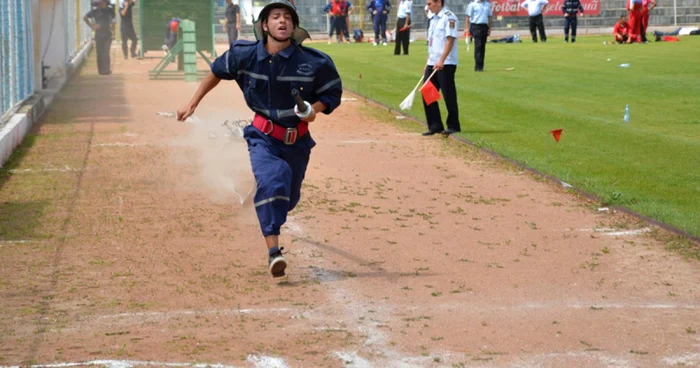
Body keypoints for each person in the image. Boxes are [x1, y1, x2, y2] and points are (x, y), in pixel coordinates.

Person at [176, 0, 343, 278]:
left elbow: (330, 94)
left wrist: (313, 110)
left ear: (294, 25)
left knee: (287, 199)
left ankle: (262, 191)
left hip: (298, 141)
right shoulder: (245, 55)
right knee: (274, 178)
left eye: (287, 17)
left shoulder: (314, 62)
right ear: (264, 25)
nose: (282, 21)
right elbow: (217, 71)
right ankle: (274, 253)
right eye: (275, 17)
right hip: (262, 137)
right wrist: (192, 103)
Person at [422, 0, 459, 136]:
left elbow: (450, 40)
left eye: (430, 3)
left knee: (448, 94)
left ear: (439, 2)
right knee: (427, 91)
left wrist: (442, 60)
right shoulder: (433, 19)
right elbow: (432, 43)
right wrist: (428, 62)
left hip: (446, 63)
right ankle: (435, 124)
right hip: (433, 62)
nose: (428, 6)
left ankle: (453, 125)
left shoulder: (449, 17)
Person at [83, 0, 115, 75]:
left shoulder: (109, 10)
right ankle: (101, 70)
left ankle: (107, 69)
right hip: (99, 34)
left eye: (103, 1)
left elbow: (114, 18)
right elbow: (85, 17)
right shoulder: (95, 10)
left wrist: (112, 26)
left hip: (107, 33)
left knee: (106, 52)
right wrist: (92, 26)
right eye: (100, 2)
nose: (101, 3)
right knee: (100, 52)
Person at [465, 0, 492, 72]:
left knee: (482, 46)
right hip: (475, 26)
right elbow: (468, 17)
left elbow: (489, 17)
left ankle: (481, 66)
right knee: (478, 45)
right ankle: (478, 67)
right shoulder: (473, 5)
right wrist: (467, 28)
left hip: (484, 26)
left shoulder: (487, 4)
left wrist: (489, 28)